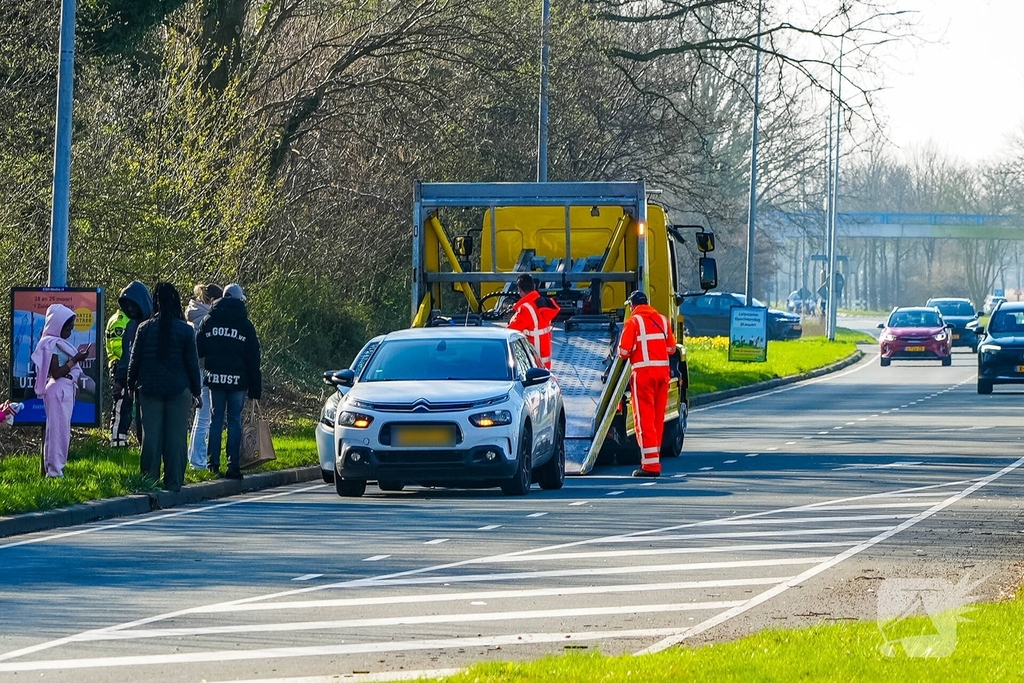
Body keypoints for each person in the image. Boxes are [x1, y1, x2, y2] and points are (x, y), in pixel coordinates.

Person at [127, 282, 203, 492]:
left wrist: (130, 385)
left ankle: (149, 481)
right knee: (176, 438)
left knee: (151, 437)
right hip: (179, 390)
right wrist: (197, 392)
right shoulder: (185, 331)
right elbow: (192, 364)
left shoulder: (145, 328)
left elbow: (135, 360)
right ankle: (174, 482)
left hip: (149, 388)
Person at [197, 283, 261, 479]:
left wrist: (211, 364)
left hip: (215, 378)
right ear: (238, 299)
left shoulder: (209, 319)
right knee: (234, 420)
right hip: (238, 381)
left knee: (215, 420)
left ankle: (212, 463)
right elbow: (253, 358)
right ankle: (233, 465)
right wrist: (255, 389)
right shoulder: (245, 324)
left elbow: (199, 347)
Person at [617, 290, 676, 478]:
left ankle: (650, 466)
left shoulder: (633, 322)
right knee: (658, 419)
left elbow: (623, 351)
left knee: (644, 420)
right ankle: (654, 458)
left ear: (633, 306)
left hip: (643, 375)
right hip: (663, 375)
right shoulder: (662, 320)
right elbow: (671, 348)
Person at [31, 304, 90, 477]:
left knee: (62, 432)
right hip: (58, 388)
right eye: (68, 328)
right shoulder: (51, 343)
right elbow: (56, 373)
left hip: (65, 388)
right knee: (57, 433)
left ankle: (56, 469)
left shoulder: (58, 343)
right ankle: (54, 472)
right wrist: (76, 360)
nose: (70, 332)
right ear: (58, 326)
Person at [185, 283, 223, 470]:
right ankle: (197, 461)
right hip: (203, 368)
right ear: (212, 300)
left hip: (194, 368)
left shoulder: (193, 314)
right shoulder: (206, 318)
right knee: (204, 416)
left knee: (199, 415)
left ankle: (193, 456)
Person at [111, 281, 153, 445]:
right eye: (128, 306)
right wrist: (120, 380)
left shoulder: (155, 324)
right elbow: (127, 356)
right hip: (138, 381)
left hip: (154, 379)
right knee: (140, 417)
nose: (131, 310)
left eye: (133, 305)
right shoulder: (131, 326)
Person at [507, 274, 560, 368]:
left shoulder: (525, 309)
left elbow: (509, 331)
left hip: (533, 360)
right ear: (534, 286)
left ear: (519, 290)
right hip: (544, 357)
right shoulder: (543, 302)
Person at [105, 308, 131, 446]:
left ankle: (122, 439)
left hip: (126, 366)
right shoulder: (119, 321)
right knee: (120, 405)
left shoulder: (128, 319)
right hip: (119, 366)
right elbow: (117, 347)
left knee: (126, 404)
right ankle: (116, 440)